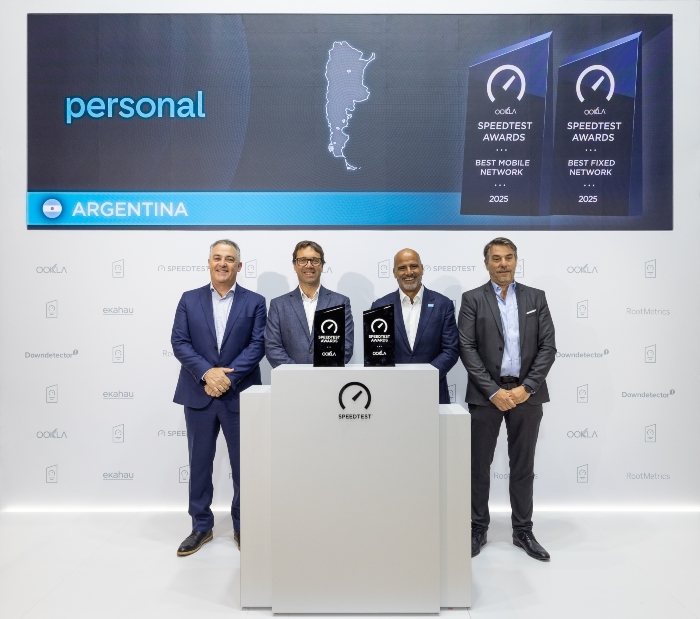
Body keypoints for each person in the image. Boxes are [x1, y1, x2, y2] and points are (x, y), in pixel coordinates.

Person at [458, 237, 556, 561]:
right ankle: (477, 528)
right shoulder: (472, 299)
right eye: (497, 258)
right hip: (486, 395)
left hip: (527, 395)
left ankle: (523, 530)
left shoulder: (536, 298)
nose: (503, 264)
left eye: (509, 257)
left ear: (516, 261)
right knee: (478, 466)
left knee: (523, 466)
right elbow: (467, 348)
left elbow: (548, 347)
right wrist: (493, 391)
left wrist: (526, 388)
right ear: (486, 263)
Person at [171, 240, 266, 556]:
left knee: (244, 465)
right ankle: (201, 526)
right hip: (198, 392)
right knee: (199, 463)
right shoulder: (189, 299)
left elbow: (257, 345)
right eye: (217, 258)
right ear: (209, 262)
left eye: (229, 259)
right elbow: (180, 342)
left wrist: (226, 378)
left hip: (239, 394)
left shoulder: (255, 302)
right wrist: (207, 373)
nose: (222, 263)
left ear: (239, 266)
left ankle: (243, 525)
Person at [371, 248, 459, 403]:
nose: (409, 272)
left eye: (414, 266)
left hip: (433, 390)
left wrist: (424, 376)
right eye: (402, 268)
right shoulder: (380, 306)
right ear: (394, 273)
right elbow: (377, 353)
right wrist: (401, 378)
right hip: (392, 391)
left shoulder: (443, 304)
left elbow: (450, 350)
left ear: (422, 268)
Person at [265, 240, 353, 366]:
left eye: (315, 260)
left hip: (328, 377)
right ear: (295, 265)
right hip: (292, 378)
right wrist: (299, 374)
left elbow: (346, 347)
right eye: (302, 260)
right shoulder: (278, 305)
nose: (309, 265)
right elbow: (273, 348)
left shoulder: (340, 302)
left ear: (322, 265)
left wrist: (319, 373)